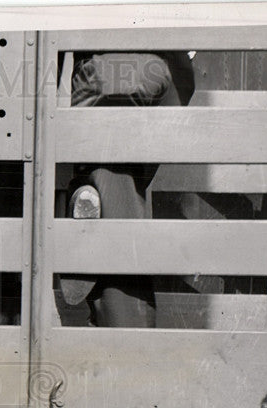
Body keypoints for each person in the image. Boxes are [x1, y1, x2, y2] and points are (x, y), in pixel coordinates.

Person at [60, 51, 194, 327]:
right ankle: (91, 190)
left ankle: (125, 329)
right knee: (124, 185)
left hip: (108, 72)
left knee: (113, 186)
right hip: (172, 74)